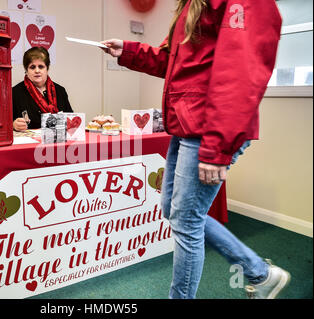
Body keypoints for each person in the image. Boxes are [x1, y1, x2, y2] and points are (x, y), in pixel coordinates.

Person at [102, 0, 290, 299]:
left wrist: (217, 147)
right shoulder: (192, 4)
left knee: (187, 221)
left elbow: (240, 75)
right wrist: (128, 51)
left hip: (208, 126)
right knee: (177, 213)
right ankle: (259, 273)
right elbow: (176, 65)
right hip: (188, 122)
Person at [12, 47, 73, 131]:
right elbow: (5, 122)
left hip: (57, 141)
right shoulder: (15, 93)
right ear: (26, 70)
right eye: (32, 67)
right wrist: (13, 125)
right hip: (30, 142)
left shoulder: (60, 91)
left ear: (47, 69)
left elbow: (70, 119)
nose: (37, 71)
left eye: (41, 67)